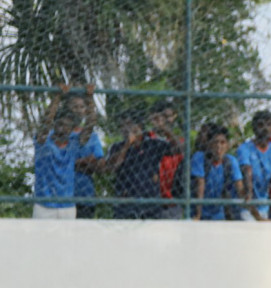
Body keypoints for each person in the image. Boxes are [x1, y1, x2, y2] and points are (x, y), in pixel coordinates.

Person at [32, 86, 101, 219]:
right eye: (60, 124)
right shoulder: (44, 143)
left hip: (67, 206)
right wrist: (58, 97)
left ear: (71, 129)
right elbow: (46, 122)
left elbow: (90, 124)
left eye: (67, 126)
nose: (63, 129)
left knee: (67, 239)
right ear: (55, 124)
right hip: (44, 205)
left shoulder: (73, 144)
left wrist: (90, 98)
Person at [108, 102, 180, 220]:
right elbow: (113, 167)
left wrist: (164, 129)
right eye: (123, 126)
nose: (126, 129)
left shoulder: (153, 143)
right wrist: (127, 145)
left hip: (150, 202)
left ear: (139, 127)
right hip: (126, 202)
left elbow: (178, 149)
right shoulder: (117, 147)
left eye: (130, 125)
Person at [60, 86, 106, 219]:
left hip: (85, 195)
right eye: (75, 106)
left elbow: (100, 164)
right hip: (62, 196)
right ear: (67, 108)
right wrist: (84, 162)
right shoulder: (59, 134)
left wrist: (75, 163)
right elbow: (60, 163)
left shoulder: (92, 137)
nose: (78, 111)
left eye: (81, 107)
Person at [236, 109, 271, 221]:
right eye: (261, 125)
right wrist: (249, 192)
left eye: (269, 125)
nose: (265, 129)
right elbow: (246, 169)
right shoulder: (245, 148)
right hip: (246, 204)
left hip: (264, 204)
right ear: (254, 127)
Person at [190, 125, 246, 220]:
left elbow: (239, 187)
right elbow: (200, 185)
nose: (218, 146)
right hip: (199, 210)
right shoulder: (199, 158)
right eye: (215, 142)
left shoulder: (231, 161)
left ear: (227, 145)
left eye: (222, 142)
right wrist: (198, 215)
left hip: (219, 212)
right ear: (208, 144)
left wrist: (255, 214)